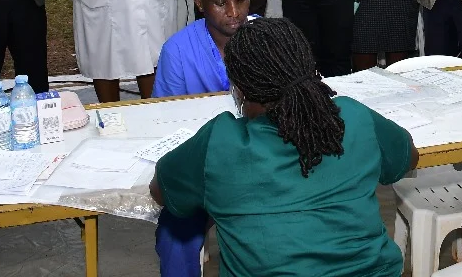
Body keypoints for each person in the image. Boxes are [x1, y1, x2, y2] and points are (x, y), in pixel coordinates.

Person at [150, 17, 419, 277]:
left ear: (240, 90)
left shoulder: (220, 141)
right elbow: (407, 158)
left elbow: (161, 192)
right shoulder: (351, 117)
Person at [152, 0, 255, 277]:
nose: (234, 12)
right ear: (199, 4)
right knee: (174, 235)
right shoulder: (178, 51)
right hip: (205, 169)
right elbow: (166, 124)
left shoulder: (266, 39)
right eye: (220, 3)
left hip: (262, 165)